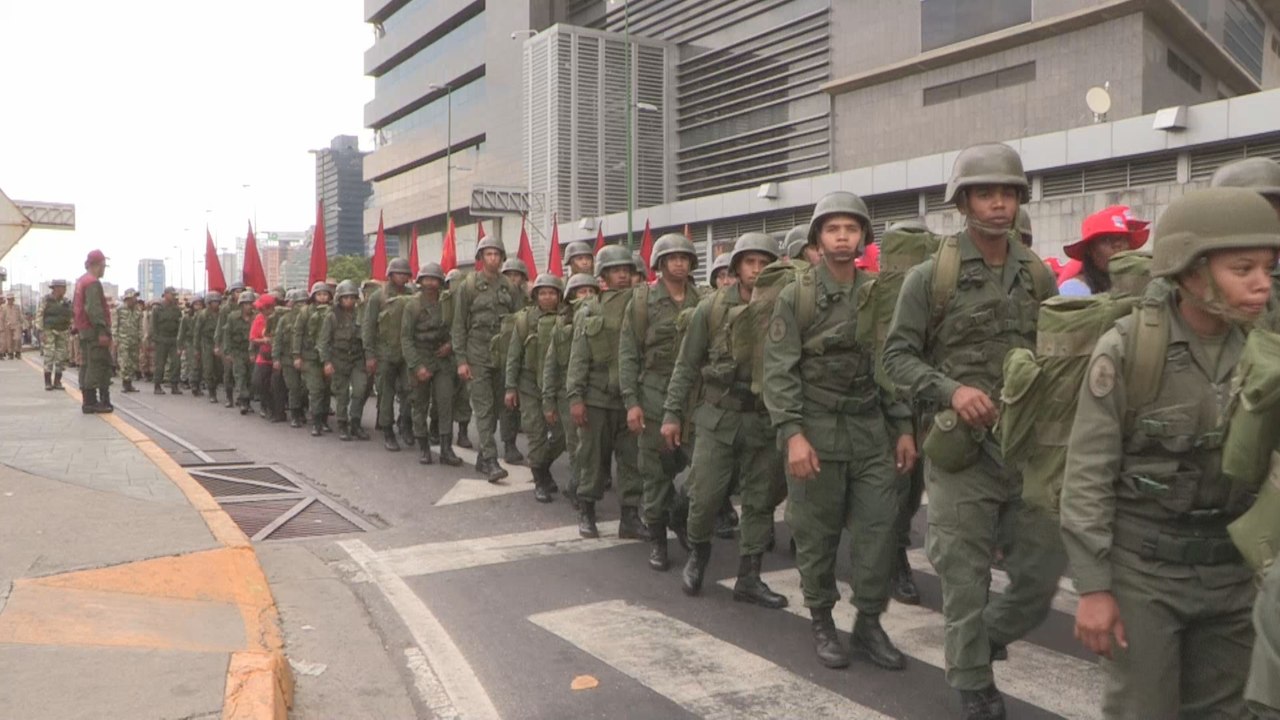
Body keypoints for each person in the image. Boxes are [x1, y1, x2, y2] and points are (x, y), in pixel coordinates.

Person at [1060, 187, 1279, 719]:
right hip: (1145, 574)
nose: (1262, 283)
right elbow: (1087, 476)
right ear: (1190, 271)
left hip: (1233, 571)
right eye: (1243, 269)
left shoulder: (1267, 348)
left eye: (1268, 268)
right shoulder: (1129, 348)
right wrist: (1093, 588)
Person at [882, 143, 1063, 719]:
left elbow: (1057, 355)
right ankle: (972, 681)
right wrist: (951, 390)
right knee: (965, 577)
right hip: (961, 452)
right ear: (963, 203)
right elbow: (895, 359)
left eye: (1008, 193)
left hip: (1025, 451)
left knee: (1040, 572)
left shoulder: (1038, 274)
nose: (999, 204)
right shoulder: (930, 277)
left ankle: (982, 641)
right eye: (985, 194)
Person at [765, 193, 916, 671]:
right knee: (817, 532)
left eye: (851, 229)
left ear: (864, 237)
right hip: (817, 429)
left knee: (879, 530)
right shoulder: (797, 295)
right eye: (833, 229)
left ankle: (868, 622)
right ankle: (822, 620)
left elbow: (889, 363)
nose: (843, 237)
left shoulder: (878, 293)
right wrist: (793, 434)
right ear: (818, 239)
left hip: (870, 430)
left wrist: (904, 427)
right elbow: (779, 372)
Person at [662, 232, 787, 606]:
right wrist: (671, 413)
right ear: (736, 267)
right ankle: (698, 555)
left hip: (763, 419)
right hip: (718, 417)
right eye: (750, 262)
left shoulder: (785, 306)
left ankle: (749, 576)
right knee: (704, 496)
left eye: (764, 263)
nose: (757, 269)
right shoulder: (712, 308)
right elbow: (686, 365)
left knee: (760, 500)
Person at [620, 233, 703, 568]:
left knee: (703, 471)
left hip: (694, 401)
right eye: (672, 258)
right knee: (654, 474)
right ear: (660, 263)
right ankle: (657, 539)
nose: (679, 264)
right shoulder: (643, 302)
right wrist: (632, 402)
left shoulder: (703, 299)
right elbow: (628, 354)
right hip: (653, 398)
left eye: (684, 258)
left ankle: (678, 515)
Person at [566, 244, 646, 539]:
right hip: (597, 397)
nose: (622, 275)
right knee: (591, 458)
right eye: (615, 270)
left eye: (626, 270)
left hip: (630, 398)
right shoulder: (589, 309)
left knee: (631, 459)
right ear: (603, 275)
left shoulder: (642, 306)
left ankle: (630, 516)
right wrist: (575, 397)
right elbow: (578, 357)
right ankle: (586, 510)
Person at [453, 237, 521, 482]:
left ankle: (483, 456)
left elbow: (519, 324)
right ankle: (491, 461)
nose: (493, 258)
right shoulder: (468, 286)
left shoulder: (510, 288)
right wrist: (461, 360)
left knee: (496, 410)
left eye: (496, 254)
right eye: (488, 254)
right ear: (481, 258)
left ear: (502, 258)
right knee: (483, 408)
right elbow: (459, 325)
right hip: (477, 355)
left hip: (501, 357)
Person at [506, 273, 568, 501]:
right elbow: (514, 355)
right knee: (536, 433)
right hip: (529, 384)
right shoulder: (525, 320)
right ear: (535, 296)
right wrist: (510, 387)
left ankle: (543, 467)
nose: (547, 297)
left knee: (562, 435)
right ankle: (540, 479)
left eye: (552, 293)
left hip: (558, 386)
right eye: (542, 293)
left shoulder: (567, 318)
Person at [542, 273, 599, 507]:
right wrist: (548, 401)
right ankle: (577, 488)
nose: (587, 296)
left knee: (592, 445)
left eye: (591, 291)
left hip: (595, 391)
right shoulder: (562, 326)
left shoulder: (601, 320)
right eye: (581, 291)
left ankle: (580, 485)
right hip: (567, 394)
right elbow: (550, 365)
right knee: (575, 443)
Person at [402, 263, 462, 466]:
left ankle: (446, 449)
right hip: (420, 357)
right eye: (426, 279)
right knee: (419, 404)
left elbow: (457, 328)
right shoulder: (412, 305)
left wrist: (450, 345)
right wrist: (417, 366)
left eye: (434, 279)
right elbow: (406, 338)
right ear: (420, 281)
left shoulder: (447, 303)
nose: (430, 283)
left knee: (445, 403)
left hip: (442, 360)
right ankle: (424, 448)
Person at [363, 258, 416, 451]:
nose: (401, 277)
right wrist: (370, 355)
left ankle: (406, 423)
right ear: (390, 275)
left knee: (410, 391)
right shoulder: (378, 297)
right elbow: (369, 327)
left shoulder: (413, 296)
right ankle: (387, 431)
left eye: (404, 274)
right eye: (398, 273)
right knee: (386, 393)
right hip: (385, 352)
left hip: (407, 352)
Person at [1057, 206, 1150, 297]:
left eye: (1122, 238)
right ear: (1090, 250)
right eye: (1107, 239)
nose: (1117, 245)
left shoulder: (1141, 284)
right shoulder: (1074, 290)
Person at [321, 280, 372, 442]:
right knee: (342, 394)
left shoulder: (361, 315)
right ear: (339, 299)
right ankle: (342, 424)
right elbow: (324, 341)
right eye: (345, 297)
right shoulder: (332, 316)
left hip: (357, 359)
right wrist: (327, 362)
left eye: (352, 297)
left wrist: (370, 357)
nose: (349, 300)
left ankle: (355, 423)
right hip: (339, 359)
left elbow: (368, 337)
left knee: (360, 390)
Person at [497, 258, 531, 465]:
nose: (512, 279)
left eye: (516, 275)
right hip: (502, 355)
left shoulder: (530, 299)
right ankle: (509, 443)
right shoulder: (498, 298)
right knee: (507, 402)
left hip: (526, 355)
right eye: (508, 275)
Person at [73, 250, 113, 413]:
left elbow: (77, 307)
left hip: (84, 330)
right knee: (96, 364)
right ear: (97, 265)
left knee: (86, 364)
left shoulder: (81, 281)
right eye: (104, 265)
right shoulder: (92, 283)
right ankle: (91, 402)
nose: (104, 269)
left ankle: (87, 400)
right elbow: (94, 308)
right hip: (94, 331)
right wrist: (102, 330)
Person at [295, 282, 333, 436]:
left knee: (326, 389)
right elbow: (298, 333)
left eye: (325, 294)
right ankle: (316, 422)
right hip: (310, 356)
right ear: (313, 296)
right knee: (315, 390)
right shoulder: (305, 312)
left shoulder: (333, 311)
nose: (322, 297)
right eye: (319, 294)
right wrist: (297, 355)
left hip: (328, 356)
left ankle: (324, 420)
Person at [443, 269, 474, 449]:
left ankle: (463, 432)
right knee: (443, 396)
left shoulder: (470, 301)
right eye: (451, 283)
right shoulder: (443, 302)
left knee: (463, 395)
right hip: (444, 356)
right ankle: (439, 429)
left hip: (465, 352)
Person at [274, 289, 307, 427]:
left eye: (304, 302)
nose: (302, 305)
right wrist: (276, 358)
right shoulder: (284, 319)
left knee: (306, 387)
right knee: (294, 387)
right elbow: (278, 339)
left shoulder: (310, 318)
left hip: (306, 358)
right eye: (299, 302)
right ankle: (295, 414)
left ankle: (302, 409)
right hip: (288, 359)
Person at [224, 290, 256, 415]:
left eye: (250, 303)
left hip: (252, 351)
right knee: (240, 376)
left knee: (251, 377)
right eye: (246, 304)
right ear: (241, 305)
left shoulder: (256, 317)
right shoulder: (233, 317)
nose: (248, 306)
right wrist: (228, 352)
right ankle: (243, 401)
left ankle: (248, 401)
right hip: (237, 351)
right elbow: (227, 335)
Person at [37, 279, 72, 390]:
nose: (65, 290)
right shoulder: (46, 300)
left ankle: (57, 381)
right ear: (56, 288)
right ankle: (48, 382)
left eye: (65, 287)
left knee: (61, 356)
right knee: (49, 355)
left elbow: (71, 315)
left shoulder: (66, 302)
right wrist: (40, 331)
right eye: (63, 287)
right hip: (49, 331)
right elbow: (39, 315)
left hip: (63, 331)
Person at [215, 282, 244, 407]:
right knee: (228, 371)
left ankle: (242, 398)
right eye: (237, 292)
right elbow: (220, 327)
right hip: (227, 343)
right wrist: (217, 345)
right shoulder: (226, 309)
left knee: (242, 373)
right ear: (232, 293)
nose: (240, 294)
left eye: (242, 291)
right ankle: (229, 397)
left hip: (242, 345)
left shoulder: (246, 307)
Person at [150, 287, 183, 395]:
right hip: (161, 339)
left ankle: (174, 385)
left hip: (173, 339)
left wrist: (180, 340)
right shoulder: (157, 309)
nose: (173, 296)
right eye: (172, 294)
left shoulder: (177, 310)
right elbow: (153, 326)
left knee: (176, 363)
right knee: (160, 364)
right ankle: (157, 385)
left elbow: (180, 326)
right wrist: (155, 339)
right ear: (166, 295)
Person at [249, 293, 276, 419]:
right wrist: (263, 341)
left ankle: (274, 408)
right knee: (258, 382)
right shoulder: (259, 318)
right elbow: (253, 338)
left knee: (274, 386)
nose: (261, 310)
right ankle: (264, 405)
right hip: (264, 356)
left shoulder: (278, 318)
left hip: (277, 357)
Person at [195, 292, 222, 403]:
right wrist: (197, 348)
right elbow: (197, 332)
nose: (216, 304)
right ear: (209, 303)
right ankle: (212, 391)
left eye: (217, 302)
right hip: (207, 343)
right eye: (213, 302)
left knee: (219, 369)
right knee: (208, 368)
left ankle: (215, 384)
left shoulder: (221, 314)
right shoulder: (203, 315)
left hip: (219, 343)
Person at [182, 295, 205, 396]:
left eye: (200, 304)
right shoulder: (187, 318)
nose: (198, 307)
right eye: (196, 304)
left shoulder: (204, 316)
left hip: (202, 342)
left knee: (201, 365)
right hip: (190, 342)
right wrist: (180, 345)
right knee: (193, 364)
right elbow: (182, 332)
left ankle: (198, 383)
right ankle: (194, 385)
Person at [0, 295, 21, 359]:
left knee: (17, 338)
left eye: (11, 299)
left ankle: (18, 352)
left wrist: (25, 324)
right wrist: (1, 326)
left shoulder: (17, 307)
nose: (10, 300)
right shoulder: (3, 307)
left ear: (13, 299)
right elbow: (1, 318)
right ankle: (10, 353)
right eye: (8, 299)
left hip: (16, 325)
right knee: (9, 341)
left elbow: (20, 316)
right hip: (7, 326)